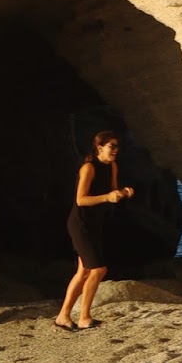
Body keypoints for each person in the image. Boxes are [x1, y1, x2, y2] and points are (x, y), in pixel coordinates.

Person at [54, 130, 135, 331]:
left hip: (95, 223)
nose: (115, 150)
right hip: (80, 223)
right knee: (98, 269)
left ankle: (63, 316)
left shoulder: (112, 166)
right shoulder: (88, 168)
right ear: (100, 147)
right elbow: (81, 200)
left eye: (117, 146)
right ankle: (84, 317)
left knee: (83, 271)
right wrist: (107, 197)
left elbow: (112, 190)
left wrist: (123, 192)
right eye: (111, 146)